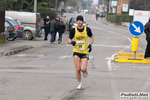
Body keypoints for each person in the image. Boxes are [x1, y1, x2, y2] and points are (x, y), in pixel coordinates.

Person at [68, 15, 94, 90]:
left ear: (82, 21)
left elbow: (92, 37)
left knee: (82, 69)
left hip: (84, 52)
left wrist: (90, 45)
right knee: (78, 68)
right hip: (76, 51)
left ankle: (85, 71)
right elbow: (69, 40)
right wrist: (71, 42)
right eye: (78, 20)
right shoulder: (73, 30)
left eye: (80, 20)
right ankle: (79, 84)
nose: (79, 22)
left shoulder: (87, 30)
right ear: (77, 22)